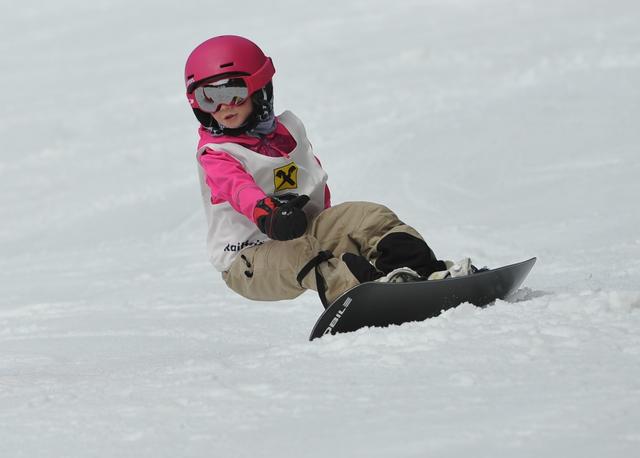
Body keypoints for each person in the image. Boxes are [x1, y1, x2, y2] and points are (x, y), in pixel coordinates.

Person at [185, 35, 474, 308]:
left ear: (259, 89)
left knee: (368, 217)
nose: (223, 107)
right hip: (247, 259)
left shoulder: (288, 130)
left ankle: (425, 274)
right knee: (302, 255)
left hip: (305, 229)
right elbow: (238, 189)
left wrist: (341, 228)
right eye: (209, 97)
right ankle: (370, 296)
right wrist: (267, 212)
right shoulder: (217, 154)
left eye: (234, 93)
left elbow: (314, 180)